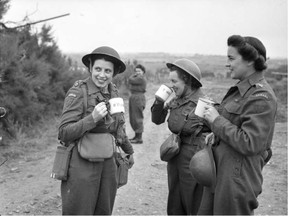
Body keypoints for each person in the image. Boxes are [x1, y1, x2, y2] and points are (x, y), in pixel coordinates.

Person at [201, 35, 277, 215]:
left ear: (250, 60)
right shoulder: (241, 90)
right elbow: (236, 124)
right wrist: (217, 133)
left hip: (237, 179)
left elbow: (250, 142)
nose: (227, 64)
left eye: (231, 58)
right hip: (221, 172)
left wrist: (216, 121)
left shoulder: (261, 96)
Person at [58, 46, 135, 215]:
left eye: (108, 71)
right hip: (81, 163)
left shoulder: (113, 91)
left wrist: (129, 151)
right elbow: (63, 132)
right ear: (90, 68)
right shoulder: (79, 91)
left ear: (113, 73)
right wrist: (92, 119)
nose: (102, 75)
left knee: (104, 210)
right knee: (80, 211)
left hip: (108, 162)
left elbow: (118, 127)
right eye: (98, 69)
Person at [151, 59, 210, 215]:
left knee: (193, 203)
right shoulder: (177, 99)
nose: (171, 85)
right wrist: (160, 103)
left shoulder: (203, 104)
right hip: (175, 155)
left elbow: (216, 131)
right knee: (175, 203)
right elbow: (156, 120)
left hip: (194, 158)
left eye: (174, 81)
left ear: (187, 80)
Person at [128, 64, 147, 144]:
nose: (137, 73)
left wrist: (133, 75)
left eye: (139, 71)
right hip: (134, 97)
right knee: (133, 117)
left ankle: (139, 138)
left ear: (143, 72)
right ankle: (136, 136)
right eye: (136, 71)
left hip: (138, 97)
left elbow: (130, 80)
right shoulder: (138, 78)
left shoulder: (141, 79)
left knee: (137, 117)